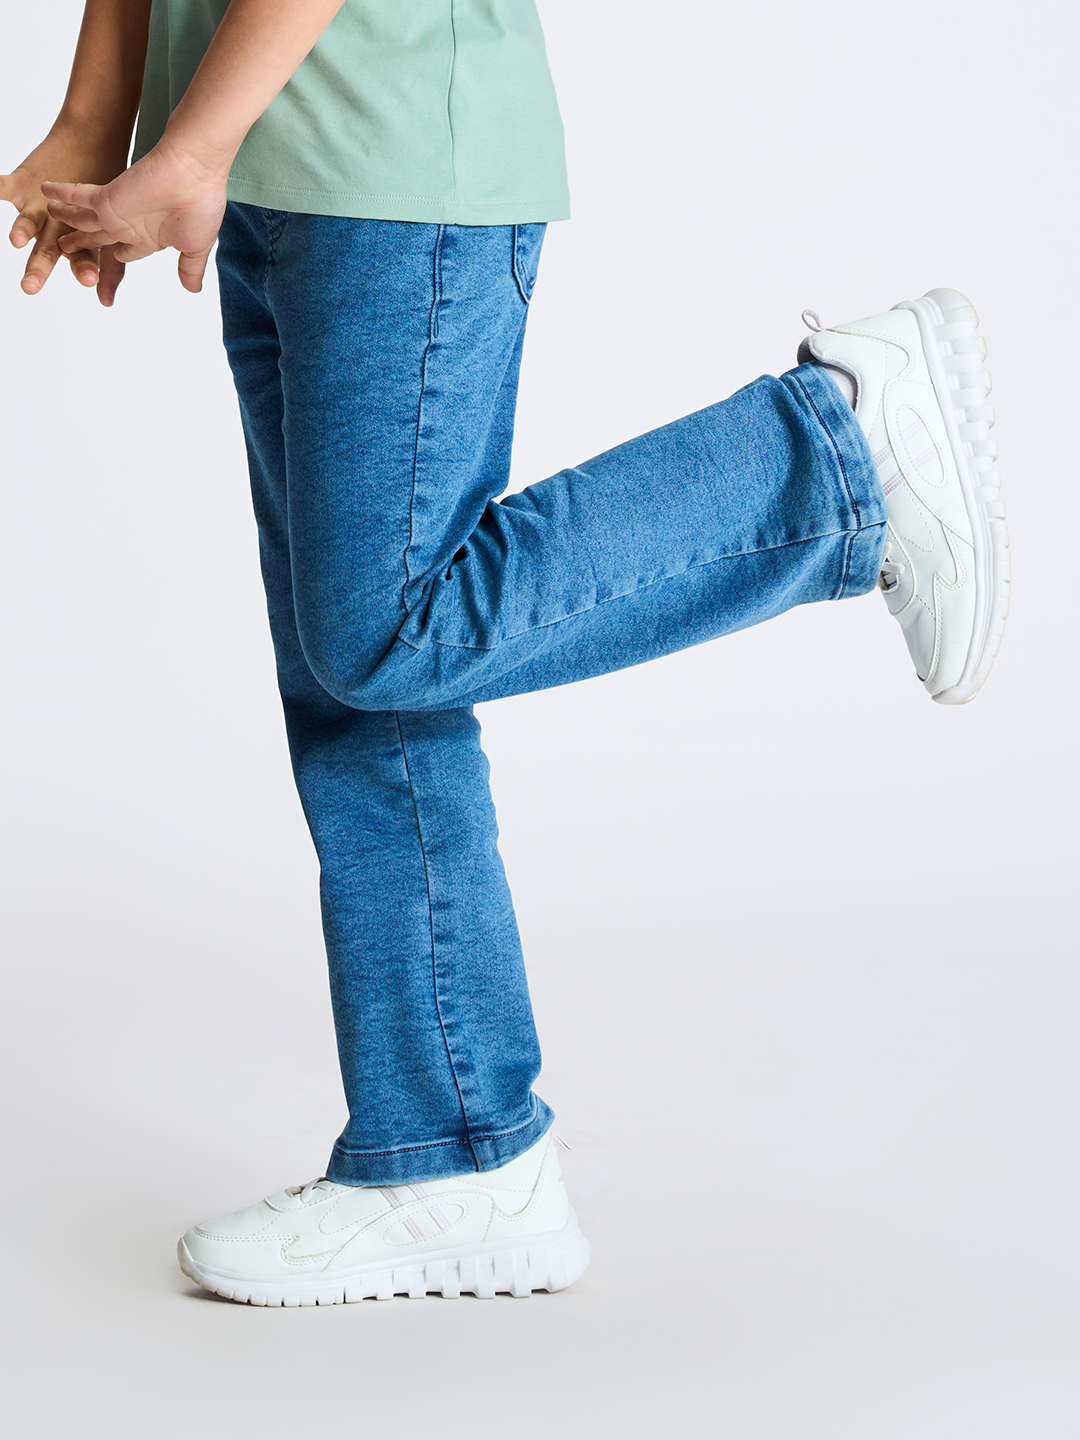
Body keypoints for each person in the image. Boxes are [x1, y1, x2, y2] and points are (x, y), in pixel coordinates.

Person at [2, 0, 1010, 1307]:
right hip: (264, 161)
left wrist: (187, 141)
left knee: (382, 637)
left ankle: (831, 459)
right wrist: (104, 115)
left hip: (385, 154)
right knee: (354, 684)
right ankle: (455, 1155)